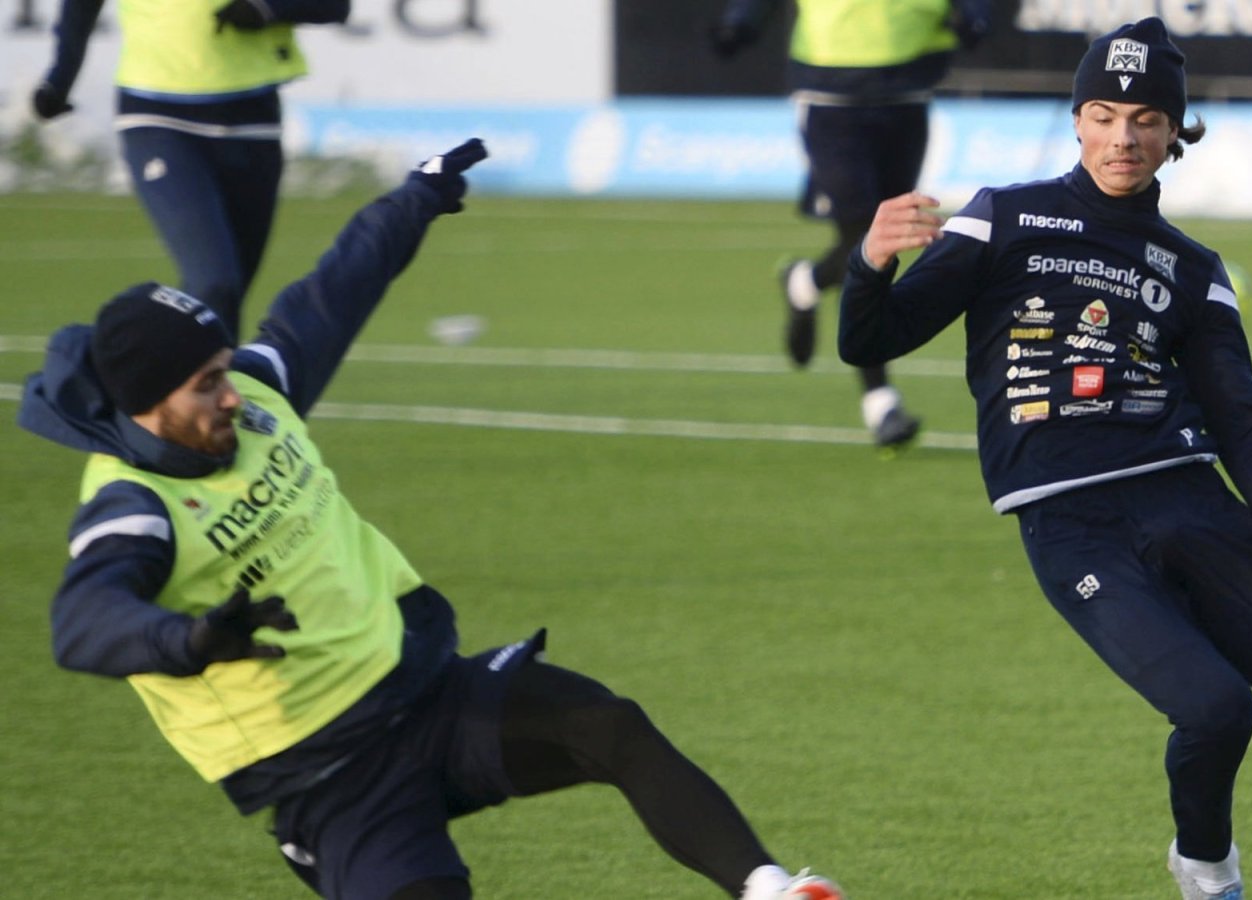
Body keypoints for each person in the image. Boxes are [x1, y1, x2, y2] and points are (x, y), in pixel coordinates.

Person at [17, 139, 845, 900]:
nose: (231, 394)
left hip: (427, 695)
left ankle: (769, 889)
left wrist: (414, 198)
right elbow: (82, 620)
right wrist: (189, 641)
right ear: (146, 404)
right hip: (330, 779)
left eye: (225, 370)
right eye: (205, 385)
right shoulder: (132, 504)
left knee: (607, 726)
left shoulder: (261, 396)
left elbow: (335, 291)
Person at [836, 18, 1252, 900]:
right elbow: (871, 339)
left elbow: (1239, 414)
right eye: (1103, 115)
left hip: (1192, 501)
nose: (1122, 137)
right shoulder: (1001, 218)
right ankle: (1206, 868)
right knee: (1215, 710)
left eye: (1145, 119)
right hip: (1071, 522)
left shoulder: (1194, 269)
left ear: (1174, 134)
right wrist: (869, 264)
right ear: (1077, 121)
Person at [710, 0, 991, 453]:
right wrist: (741, 21)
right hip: (831, 93)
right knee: (868, 239)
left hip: (908, 90)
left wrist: (975, 13)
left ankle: (805, 281)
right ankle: (880, 401)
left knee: (890, 235)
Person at [30, 0, 350, 340]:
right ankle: (124, 365)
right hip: (156, 112)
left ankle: (175, 372)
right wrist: (60, 76)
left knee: (222, 298)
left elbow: (335, 6)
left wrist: (268, 8)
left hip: (252, 120)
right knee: (214, 282)